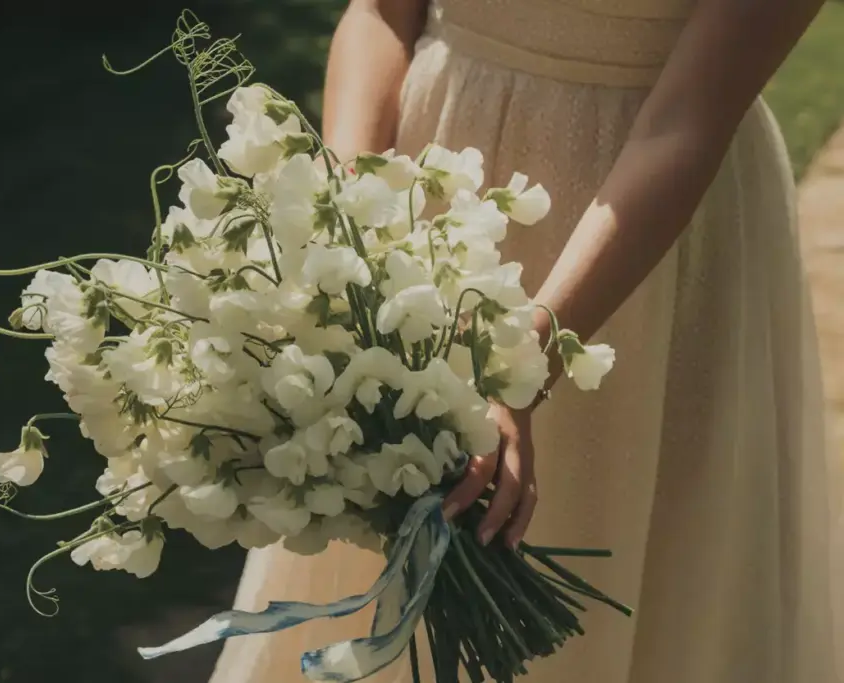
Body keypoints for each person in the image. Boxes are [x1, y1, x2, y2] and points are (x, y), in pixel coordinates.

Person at [209, 1, 844, 681]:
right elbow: (380, 14)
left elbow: (685, 123)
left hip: (642, 254)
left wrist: (517, 361)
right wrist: (348, 226)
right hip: (431, 182)